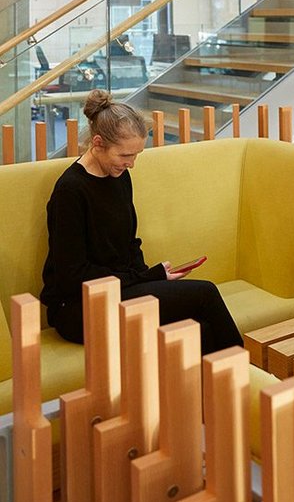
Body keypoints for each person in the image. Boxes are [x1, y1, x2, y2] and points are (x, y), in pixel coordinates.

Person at [41, 90, 242, 355]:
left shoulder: (119, 176)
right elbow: (73, 275)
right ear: (98, 143)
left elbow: (129, 244)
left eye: (136, 155)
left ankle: (212, 392)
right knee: (205, 294)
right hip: (78, 307)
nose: (131, 164)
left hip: (120, 291)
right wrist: (146, 278)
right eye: (125, 156)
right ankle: (247, 383)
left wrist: (153, 280)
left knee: (200, 327)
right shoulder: (71, 190)